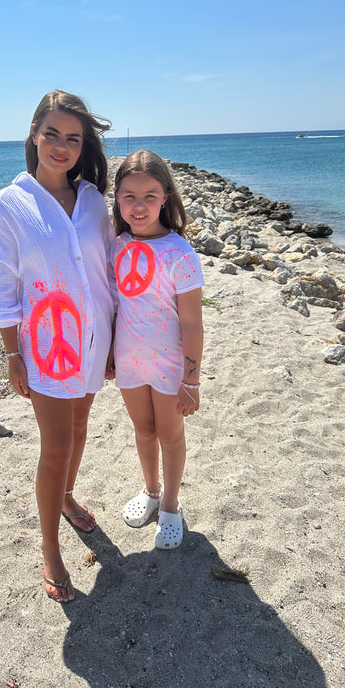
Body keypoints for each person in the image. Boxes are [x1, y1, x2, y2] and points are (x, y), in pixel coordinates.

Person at [0, 90, 115, 602]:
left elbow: (106, 272)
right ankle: (50, 549)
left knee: (80, 428)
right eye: (52, 134)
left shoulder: (93, 200)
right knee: (56, 445)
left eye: (73, 139)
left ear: (84, 147)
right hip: (46, 348)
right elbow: (4, 286)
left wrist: (114, 340)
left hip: (95, 338)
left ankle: (65, 497)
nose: (61, 146)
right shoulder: (10, 205)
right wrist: (12, 354)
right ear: (34, 134)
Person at [111, 149, 204, 549]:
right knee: (144, 430)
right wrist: (110, 355)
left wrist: (191, 381)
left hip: (169, 364)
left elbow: (192, 322)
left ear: (165, 197)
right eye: (129, 196)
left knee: (170, 435)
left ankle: (170, 504)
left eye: (149, 196)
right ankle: (151, 491)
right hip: (130, 358)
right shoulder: (117, 245)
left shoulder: (179, 252)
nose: (139, 206)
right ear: (117, 198)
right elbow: (114, 304)